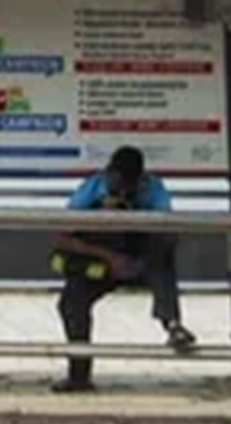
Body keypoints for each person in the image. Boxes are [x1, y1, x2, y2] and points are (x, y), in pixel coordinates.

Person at [50, 145, 198, 393]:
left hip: (138, 257)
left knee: (163, 254)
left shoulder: (152, 189)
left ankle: (172, 323)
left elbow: (171, 232)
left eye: (130, 186)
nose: (123, 190)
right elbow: (62, 236)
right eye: (118, 183)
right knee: (71, 303)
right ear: (109, 173)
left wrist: (142, 224)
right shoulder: (93, 188)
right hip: (100, 259)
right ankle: (79, 376)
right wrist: (108, 255)